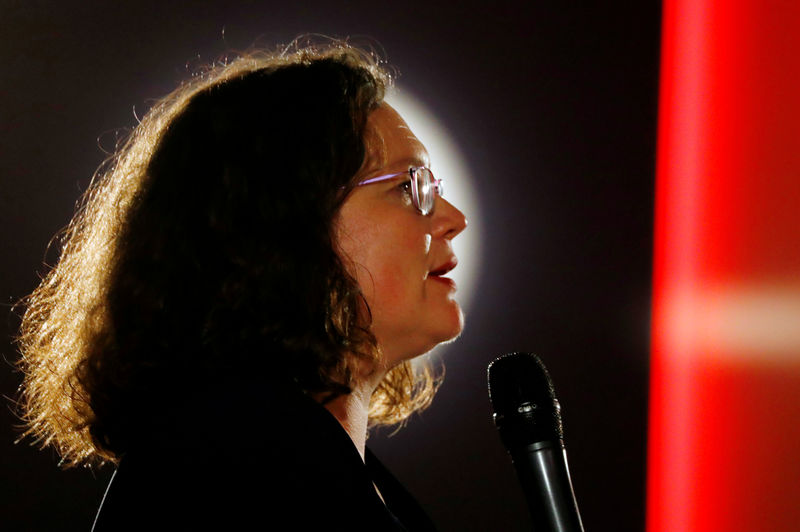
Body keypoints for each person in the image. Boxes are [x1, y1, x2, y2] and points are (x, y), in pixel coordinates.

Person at [14, 40, 467, 531]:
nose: (454, 219)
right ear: (286, 224)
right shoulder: (237, 463)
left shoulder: (271, 450)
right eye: (409, 186)